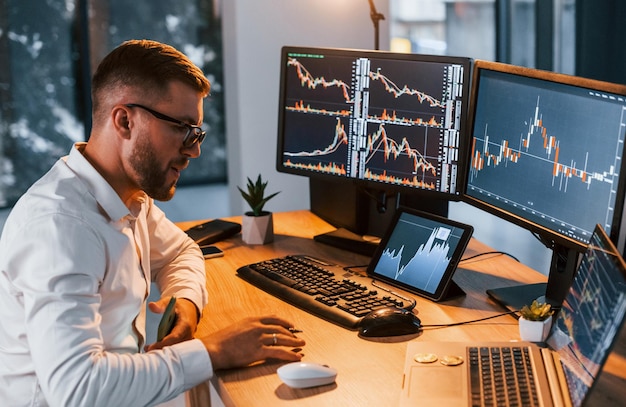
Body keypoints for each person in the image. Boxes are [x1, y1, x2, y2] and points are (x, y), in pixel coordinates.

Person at [0, 39, 305, 406]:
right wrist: (214, 351)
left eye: (197, 133)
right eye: (183, 128)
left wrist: (185, 305)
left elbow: (182, 251)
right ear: (125, 120)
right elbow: (78, 391)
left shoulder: (127, 195)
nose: (194, 150)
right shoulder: (60, 227)